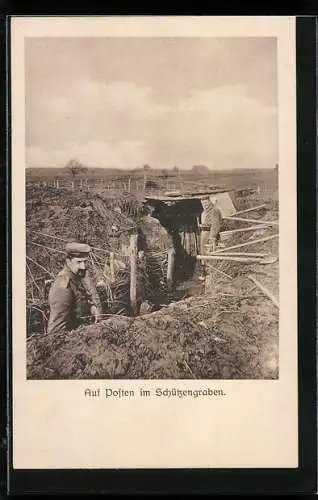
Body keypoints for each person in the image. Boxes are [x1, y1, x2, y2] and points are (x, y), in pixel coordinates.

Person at [47, 242, 101, 335]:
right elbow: (55, 332)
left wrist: (91, 306)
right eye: (79, 262)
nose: (83, 266)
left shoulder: (76, 277)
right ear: (68, 261)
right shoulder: (63, 287)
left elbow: (81, 295)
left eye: (85, 262)